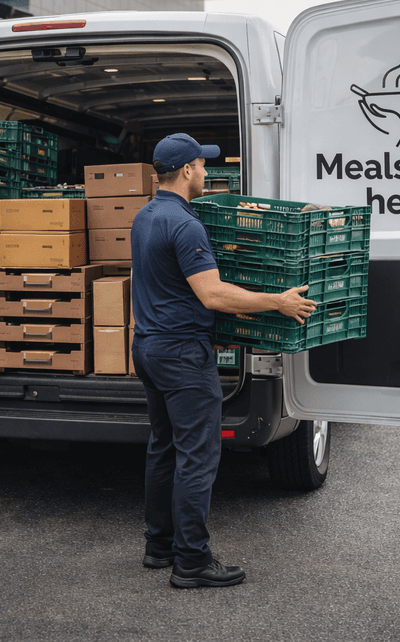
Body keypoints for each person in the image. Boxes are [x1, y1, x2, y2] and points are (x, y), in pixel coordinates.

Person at [131, 132, 317, 589]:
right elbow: (212, 294)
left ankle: (160, 545)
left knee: (164, 448)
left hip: (149, 347)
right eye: (202, 164)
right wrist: (277, 301)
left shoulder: (145, 215)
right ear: (187, 170)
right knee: (197, 457)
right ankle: (192, 561)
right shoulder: (185, 225)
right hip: (181, 355)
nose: (207, 172)